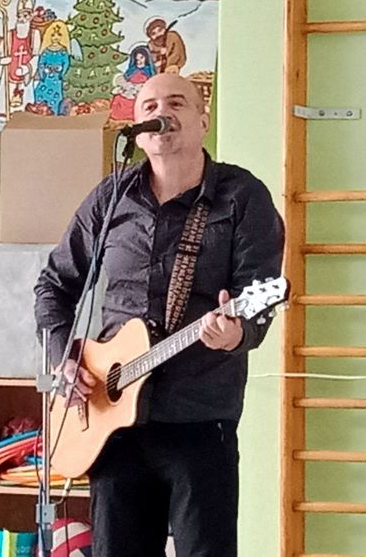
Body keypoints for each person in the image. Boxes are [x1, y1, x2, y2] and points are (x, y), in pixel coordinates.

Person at [34, 74, 284, 557]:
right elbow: (54, 286)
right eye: (149, 105)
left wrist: (235, 334)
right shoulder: (111, 197)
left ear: (203, 121)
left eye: (176, 103)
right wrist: (65, 358)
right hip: (112, 424)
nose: (161, 113)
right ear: (137, 128)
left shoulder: (242, 195)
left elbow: (259, 297)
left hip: (200, 418)